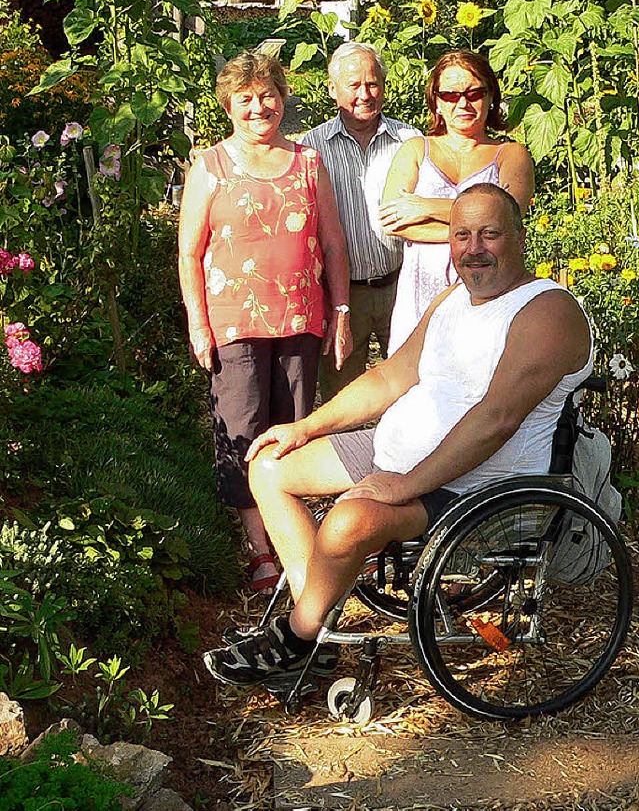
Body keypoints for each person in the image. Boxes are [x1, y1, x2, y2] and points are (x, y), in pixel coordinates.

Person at [203, 183, 593, 686]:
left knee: (347, 522)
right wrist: (304, 426)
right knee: (270, 463)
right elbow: (390, 377)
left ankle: (296, 638)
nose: (474, 249)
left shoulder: (547, 310)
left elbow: (497, 417)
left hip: (473, 488)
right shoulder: (454, 300)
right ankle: (314, 626)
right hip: (395, 455)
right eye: (462, 236)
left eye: (490, 234)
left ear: (519, 237)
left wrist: (403, 485)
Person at [178, 51, 351, 594]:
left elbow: (333, 242)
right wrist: (198, 325)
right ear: (228, 104)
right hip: (236, 326)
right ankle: (260, 551)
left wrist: (340, 313)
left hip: (301, 319)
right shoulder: (210, 167)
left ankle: (293, 541)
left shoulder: (308, 162)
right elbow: (189, 254)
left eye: (268, 95)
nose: (259, 107)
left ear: (283, 98)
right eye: (246, 98)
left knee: (294, 432)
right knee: (244, 429)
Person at [380, 49, 534, 354]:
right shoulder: (415, 149)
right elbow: (392, 220)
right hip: (419, 296)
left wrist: (424, 206)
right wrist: (481, 229)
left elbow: (509, 216)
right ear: (436, 101)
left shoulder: (512, 153)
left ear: (491, 97)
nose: (462, 103)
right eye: (450, 95)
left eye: (474, 93)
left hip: (488, 290)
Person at [301, 42, 421, 400]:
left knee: (412, 389)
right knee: (343, 394)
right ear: (332, 89)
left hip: (402, 285)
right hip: (343, 294)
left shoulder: (410, 141)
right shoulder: (312, 147)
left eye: (373, 84)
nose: (365, 95)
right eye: (354, 85)